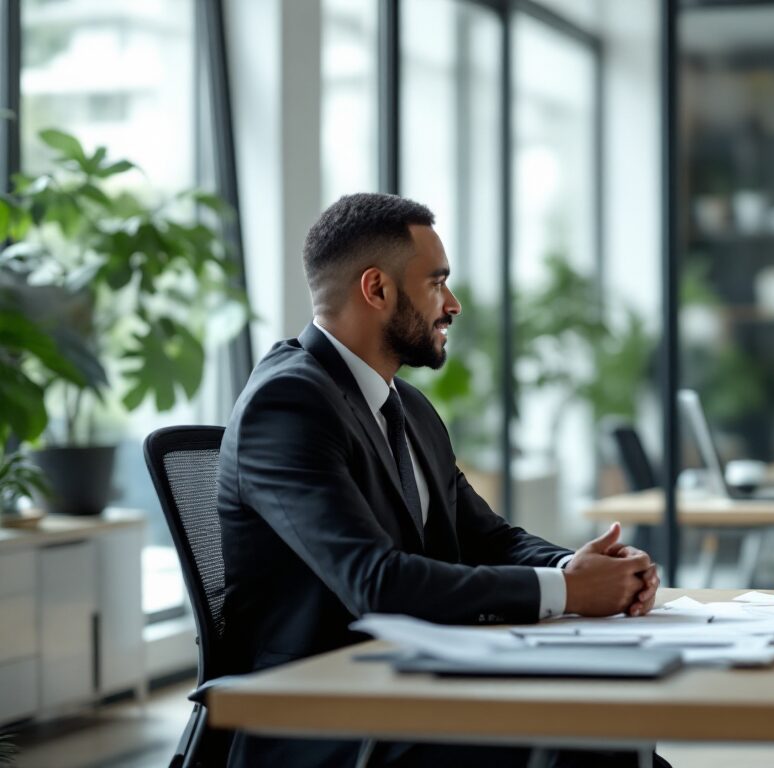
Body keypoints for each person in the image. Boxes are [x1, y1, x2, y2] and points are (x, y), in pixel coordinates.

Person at [217, 193, 665, 768]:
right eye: (437, 283)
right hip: (327, 713)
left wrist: (583, 568)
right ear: (376, 289)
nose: (451, 304)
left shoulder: (407, 406)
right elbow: (375, 583)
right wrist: (570, 593)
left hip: (413, 681)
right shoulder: (288, 405)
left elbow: (490, 537)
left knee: (613, 727)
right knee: (586, 742)